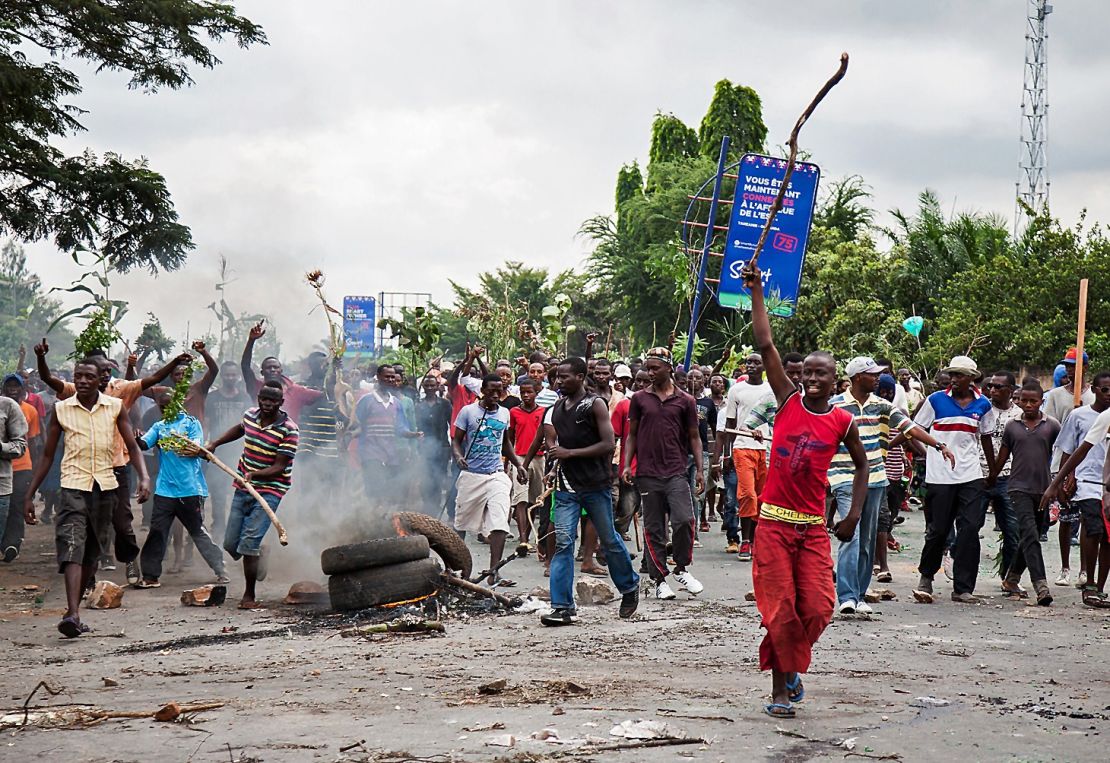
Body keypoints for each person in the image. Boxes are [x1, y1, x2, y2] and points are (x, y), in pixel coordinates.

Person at [740, 264, 868, 720]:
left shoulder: (843, 421)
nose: (813, 380)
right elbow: (766, 344)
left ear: (836, 381)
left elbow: (861, 463)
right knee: (781, 611)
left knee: (816, 608)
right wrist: (757, 291)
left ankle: (791, 666)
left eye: (822, 375)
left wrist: (852, 512)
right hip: (773, 525)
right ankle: (780, 688)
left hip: (813, 528)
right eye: (808, 373)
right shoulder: (788, 400)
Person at [36, 338, 188, 584]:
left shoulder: (120, 393)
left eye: (109, 371)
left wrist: (174, 363)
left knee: (122, 522)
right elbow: (50, 381)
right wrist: (41, 358)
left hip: (115, 467)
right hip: (82, 472)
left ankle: (130, 560)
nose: (106, 374)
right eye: (102, 370)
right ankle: (89, 576)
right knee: (88, 525)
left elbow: (152, 381)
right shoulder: (78, 390)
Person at [23, 358, 151, 637]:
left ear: (99, 380)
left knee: (92, 553)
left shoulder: (115, 408)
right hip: (73, 486)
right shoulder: (61, 410)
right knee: (72, 546)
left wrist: (143, 476)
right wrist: (29, 494)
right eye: (77, 376)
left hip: (105, 486)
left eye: (88, 377)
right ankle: (72, 612)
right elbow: (46, 455)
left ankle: (75, 612)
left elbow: (132, 446)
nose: (82, 381)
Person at [828, 358, 952, 615]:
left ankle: (859, 595)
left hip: (875, 479)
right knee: (851, 535)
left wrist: (937, 445)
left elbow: (910, 428)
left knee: (867, 540)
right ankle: (846, 596)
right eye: (872, 374)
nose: (878, 378)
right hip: (843, 477)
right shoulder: (835, 405)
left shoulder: (881, 406)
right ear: (857, 377)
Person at [539, 357, 639, 625]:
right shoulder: (558, 408)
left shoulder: (594, 404)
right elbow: (554, 443)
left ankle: (629, 587)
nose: (559, 381)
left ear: (581, 377)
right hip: (566, 487)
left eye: (565, 377)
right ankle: (562, 606)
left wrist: (569, 453)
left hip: (596, 485)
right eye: (557, 376)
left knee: (609, 540)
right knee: (563, 543)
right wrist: (554, 464)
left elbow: (608, 444)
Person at [205, 381, 299, 609]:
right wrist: (215, 442)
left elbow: (279, 467)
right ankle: (258, 552)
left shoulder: (289, 429)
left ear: (281, 402)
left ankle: (249, 595)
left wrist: (254, 474)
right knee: (230, 544)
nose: (267, 404)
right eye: (264, 399)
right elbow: (240, 429)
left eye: (273, 400)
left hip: (270, 490)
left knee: (248, 544)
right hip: (243, 486)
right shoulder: (249, 415)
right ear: (258, 399)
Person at [911, 356, 997, 604]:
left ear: (972, 378)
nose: (954, 379)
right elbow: (915, 430)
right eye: (952, 374)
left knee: (970, 529)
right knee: (939, 528)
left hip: (970, 473)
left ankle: (963, 587)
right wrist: (927, 455)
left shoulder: (983, 404)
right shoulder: (936, 400)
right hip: (940, 475)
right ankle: (926, 577)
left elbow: (986, 438)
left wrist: (991, 471)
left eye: (959, 375)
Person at [622, 347, 704, 600]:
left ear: (669, 368)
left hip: (676, 470)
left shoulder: (686, 401)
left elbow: (694, 437)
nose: (650, 372)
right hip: (647, 472)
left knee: (684, 520)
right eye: (648, 368)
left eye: (655, 368)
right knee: (654, 527)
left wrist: (700, 469)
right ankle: (659, 580)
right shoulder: (639, 399)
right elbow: (632, 435)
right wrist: (627, 464)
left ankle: (681, 567)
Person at [135, 388, 228, 588]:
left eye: (170, 404)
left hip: (190, 489)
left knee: (197, 531)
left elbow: (194, 448)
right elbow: (144, 444)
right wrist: (138, 438)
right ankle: (150, 576)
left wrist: (183, 443)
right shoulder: (159, 427)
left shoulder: (191, 424)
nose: (166, 408)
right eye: (163, 406)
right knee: (157, 531)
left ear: (179, 404)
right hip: (165, 490)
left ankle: (220, 568)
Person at [987, 381, 1059, 605]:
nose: (1027, 405)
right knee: (1028, 533)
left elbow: (1062, 454)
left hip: (1043, 489)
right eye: (1023, 400)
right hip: (1017, 487)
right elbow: (1002, 457)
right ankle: (1041, 586)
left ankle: (1012, 578)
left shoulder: (1052, 426)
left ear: (1041, 401)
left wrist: (1061, 482)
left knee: (1033, 534)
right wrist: (991, 477)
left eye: (1033, 401)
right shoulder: (1012, 426)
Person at [1042, 372, 1110, 608]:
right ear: (1095, 390)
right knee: (1094, 529)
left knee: (1108, 536)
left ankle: (1099, 588)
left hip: (1107, 483)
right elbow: (1075, 450)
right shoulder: (1086, 416)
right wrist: (1058, 482)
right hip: (1088, 481)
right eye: (1105, 389)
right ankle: (1088, 583)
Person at [452, 374, 526, 586]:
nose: (496, 395)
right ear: (482, 390)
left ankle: (494, 571)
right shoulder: (468, 412)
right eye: (491, 391)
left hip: (495, 474)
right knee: (461, 523)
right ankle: (459, 569)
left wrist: (519, 464)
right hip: (472, 474)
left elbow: (505, 443)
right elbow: (456, 441)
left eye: (499, 391)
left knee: (500, 522)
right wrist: (458, 456)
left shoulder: (504, 413)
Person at [712, 353, 772, 562]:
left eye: (757, 362)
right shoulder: (736, 390)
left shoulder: (771, 389)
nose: (752, 365)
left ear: (764, 365)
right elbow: (729, 424)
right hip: (742, 446)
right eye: (749, 362)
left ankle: (755, 539)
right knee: (747, 494)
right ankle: (744, 540)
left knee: (761, 496)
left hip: (766, 448)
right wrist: (726, 455)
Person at [977, 372, 1023, 588]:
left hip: (1008, 477)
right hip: (978, 474)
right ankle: (965, 577)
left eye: (998, 387)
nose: (992, 390)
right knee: (970, 526)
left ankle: (1009, 578)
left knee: (1012, 531)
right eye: (991, 386)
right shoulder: (980, 409)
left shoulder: (1020, 415)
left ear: (1011, 390)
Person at [354, 365, 423, 508]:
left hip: (390, 454)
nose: (391, 380)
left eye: (393, 377)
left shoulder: (396, 403)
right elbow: (356, 423)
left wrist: (413, 435)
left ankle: (382, 522)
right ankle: (368, 520)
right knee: (375, 489)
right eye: (387, 376)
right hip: (370, 452)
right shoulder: (367, 400)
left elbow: (400, 428)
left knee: (388, 490)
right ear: (378, 377)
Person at [240, 321, 323, 424]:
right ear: (262, 372)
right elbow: (245, 366)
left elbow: (323, 395)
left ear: (281, 371)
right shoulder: (256, 387)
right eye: (268, 368)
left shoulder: (296, 390)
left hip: (287, 438)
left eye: (275, 367)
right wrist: (251, 340)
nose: (272, 370)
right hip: (261, 437)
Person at [204, 360, 252, 536]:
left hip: (239, 453)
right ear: (222, 376)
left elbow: (249, 425)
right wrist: (204, 444)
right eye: (227, 375)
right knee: (218, 493)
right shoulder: (213, 398)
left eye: (233, 374)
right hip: (218, 451)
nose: (230, 378)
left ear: (237, 376)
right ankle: (218, 526)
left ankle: (235, 528)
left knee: (237, 492)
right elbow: (207, 423)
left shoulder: (244, 398)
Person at [2, 374, 38, 562]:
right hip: (2, 468)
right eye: (9, 385)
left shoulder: (30, 410)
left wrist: (35, 469)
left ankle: (12, 543)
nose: (13, 389)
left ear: (23, 389)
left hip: (22, 466)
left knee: (16, 505)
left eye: (16, 386)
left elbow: (31, 440)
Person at [509, 379, 547, 547]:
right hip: (520, 458)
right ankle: (523, 540)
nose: (525, 395)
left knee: (535, 499)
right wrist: (509, 461)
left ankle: (527, 535)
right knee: (521, 498)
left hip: (539, 458)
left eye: (529, 392)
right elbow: (510, 437)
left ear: (536, 393)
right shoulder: (514, 412)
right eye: (523, 392)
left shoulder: (543, 411)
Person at [415, 374, 453, 516]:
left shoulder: (444, 404)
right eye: (427, 385)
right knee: (426, 479)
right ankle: (427, 509)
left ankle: (436, 510)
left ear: (437, 387)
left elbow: (452, 425)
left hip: (442, 447)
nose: (430, 388)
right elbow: (416, 427)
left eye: (433, 385)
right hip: (424, 449)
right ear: (423, 387)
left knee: (439, 479)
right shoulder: (418, 406)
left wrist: (452, 447)